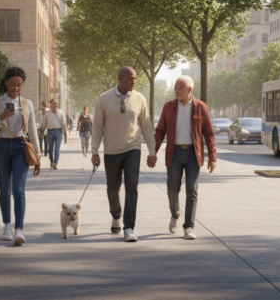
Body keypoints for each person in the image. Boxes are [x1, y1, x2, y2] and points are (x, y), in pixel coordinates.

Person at [91, 66, 157, 243]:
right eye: (130, 79)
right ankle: (116, 215)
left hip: (132, 149)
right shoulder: (104, 99)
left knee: (132, 186)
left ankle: (129, 227)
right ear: (120, 79)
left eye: (135, 78)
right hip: (112, 150)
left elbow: (146, 126)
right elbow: (97, 126)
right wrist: (94, 151)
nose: (133, 82)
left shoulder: (140, 99)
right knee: (112, 188)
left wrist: (151, 150)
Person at [0, 67, 41, 246]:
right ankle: (7, 226)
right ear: (6, 83)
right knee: (5, 191)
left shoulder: (27, 104)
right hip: (1, 147)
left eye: (19, 85)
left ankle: (19, 230)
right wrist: (0, 118)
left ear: (23, 85)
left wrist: (38, 156)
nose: (15, 88)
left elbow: (32, 131)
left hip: (20, 148)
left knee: (18, 190)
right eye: (12, 84)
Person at [154, 76, 217, 240]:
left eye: (180, 88)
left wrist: (212, 157)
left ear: (189, 90)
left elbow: (209, 134)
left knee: (192, 191)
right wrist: (153, 152)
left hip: (193, 154)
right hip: (174, 153)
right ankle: (175, 214)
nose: (176, 91)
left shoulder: (200, 107)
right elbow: (160, 131)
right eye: (175, 88)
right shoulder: (168, 107)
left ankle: (188, 226)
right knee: (172, 189)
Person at [39, 99, 69, 169]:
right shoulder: (47, 113)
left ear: (57, 104)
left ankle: (55, 163)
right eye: (52, 103)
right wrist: (42, 129)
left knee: (57, 148)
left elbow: (63, 123)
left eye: (55, 103)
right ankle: (51, 161)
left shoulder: (61, 112)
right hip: (50, 132)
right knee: (50, 148)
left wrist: (65, 132)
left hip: (58, 132)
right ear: (50, 104)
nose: (54, 105)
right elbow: (44, 123)